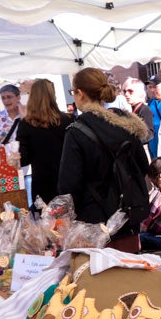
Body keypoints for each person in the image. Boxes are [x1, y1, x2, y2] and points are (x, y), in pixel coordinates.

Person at [59, 68, 150, 252]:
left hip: (94, 224)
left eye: (72, 92)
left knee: (101, 270)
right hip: (128, 215)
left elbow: (69, 185)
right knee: (130, 266)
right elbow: (142, 165)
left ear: (80, 93)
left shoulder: (77, 131)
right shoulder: (125, 123)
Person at [15, 78, 72, 208]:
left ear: (32, 97)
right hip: (67, 182)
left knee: (46, 219)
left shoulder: (26, 124)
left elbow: (23, 159)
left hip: (42, 185)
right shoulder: (68, 120)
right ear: (53, 96)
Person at [122, 77, 156, 146]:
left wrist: (132, 141)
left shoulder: (144, 109)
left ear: (139, 92)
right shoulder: (134, 108)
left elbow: (149, 134)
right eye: (124, 91)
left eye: (130, 91)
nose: (126, 94)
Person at [146, 75, 161, 158]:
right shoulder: (151, 102)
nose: (152, 90)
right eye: (150, 87)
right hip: (154, 150)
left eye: (155, 86)